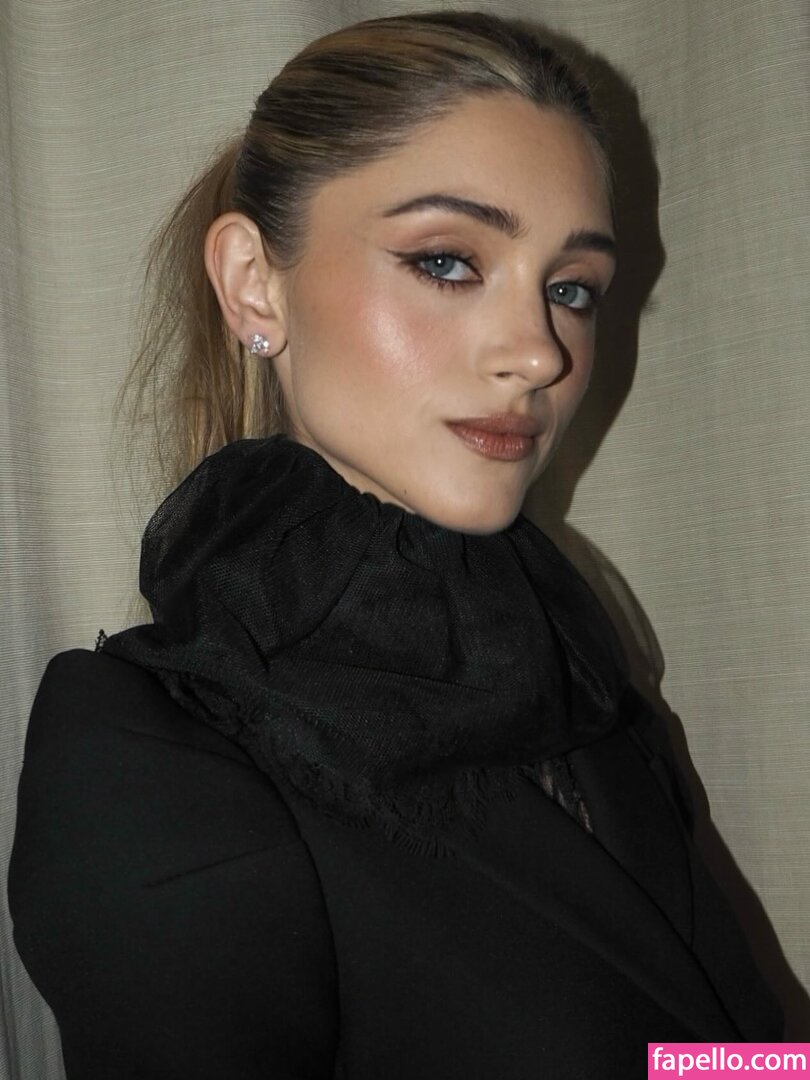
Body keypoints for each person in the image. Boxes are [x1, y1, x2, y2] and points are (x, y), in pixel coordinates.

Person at [8, 10, 783, 1079]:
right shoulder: (150, 754)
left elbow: (717, 1051)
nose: (540, 354)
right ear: (253, 283)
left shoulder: (576, 676)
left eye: (571, 289)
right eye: (448, 262)